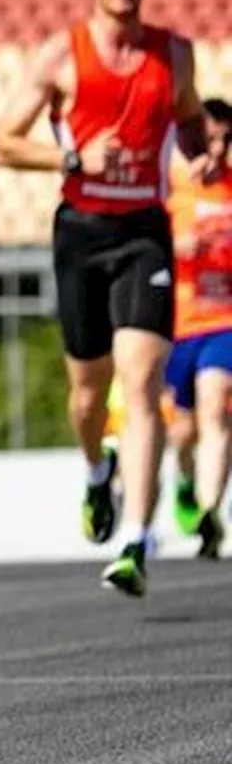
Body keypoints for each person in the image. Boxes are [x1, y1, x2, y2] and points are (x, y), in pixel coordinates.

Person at [0, 0, 216, 597]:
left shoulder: (174, 53)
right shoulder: (61, 56)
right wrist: (71, 157)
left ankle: (135, 540)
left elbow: (188, 117)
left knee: (142, 384)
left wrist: (201, 147)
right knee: (88, 395)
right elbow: (3, 141)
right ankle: (97, 472)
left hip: (145, 231)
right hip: (81, 232)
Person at [163, 97, 232, 559]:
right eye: (211, 139)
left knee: (216, 409)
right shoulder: (173, 193)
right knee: (182, 431)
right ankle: (186, 482)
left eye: (228, 140)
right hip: (178, 323)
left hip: (225, 321)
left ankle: (210, 514)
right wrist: (174, 244)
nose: (220, 149)